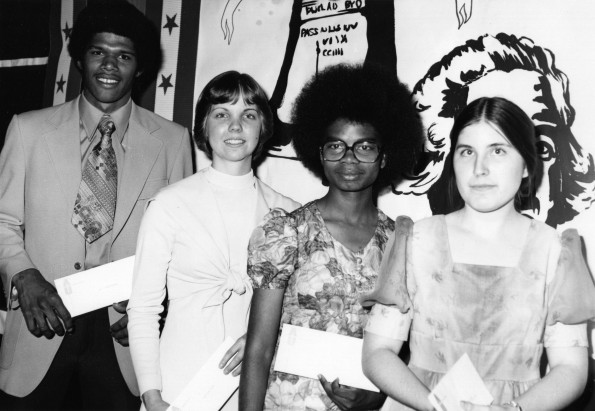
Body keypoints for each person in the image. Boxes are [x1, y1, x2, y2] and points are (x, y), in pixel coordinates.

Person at [0, 1, 193, 409]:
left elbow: (184, 242)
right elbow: (2, 220)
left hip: (122, 336)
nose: (109, 65)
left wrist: (156, 307)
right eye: (98, 52)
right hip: (42, 322)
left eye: (123, 56)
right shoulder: (28, 129)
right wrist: (24, 275)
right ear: (80, 59)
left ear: (139, 67)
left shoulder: (173, 142)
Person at [362, 97, 595, 411]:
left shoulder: (555, 250)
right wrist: (435, 407)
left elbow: (571, 369)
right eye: (467, 151)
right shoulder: (416, 239)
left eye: (497, 151)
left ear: (526, 165)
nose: (479, 168)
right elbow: (377, 354)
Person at [240, 63, 424, 411]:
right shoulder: (287, 232)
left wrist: (378, 395)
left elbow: (409, 348)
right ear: (319, 154)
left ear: (384, 156)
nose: (350, 158)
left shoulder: (401, 242)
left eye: (364, 147)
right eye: (335, 146)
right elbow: (259, 347)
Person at [127, 71, 299, 411]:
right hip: (176, 386)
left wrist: (268, 336)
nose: (235, 127)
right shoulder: (168, 205)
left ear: (264, 127)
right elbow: (144, 309)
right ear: (204, 126)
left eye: (248, 115)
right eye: (222, 114)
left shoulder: (289, 214)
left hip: (254, 389)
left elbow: (298, 312)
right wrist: (152, 396)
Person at [395, 33, 595, 227]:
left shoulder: (564, 252)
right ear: (442, 161)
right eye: (468, 150)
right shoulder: (414, 247)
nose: (481, 168)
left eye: (541, 147)